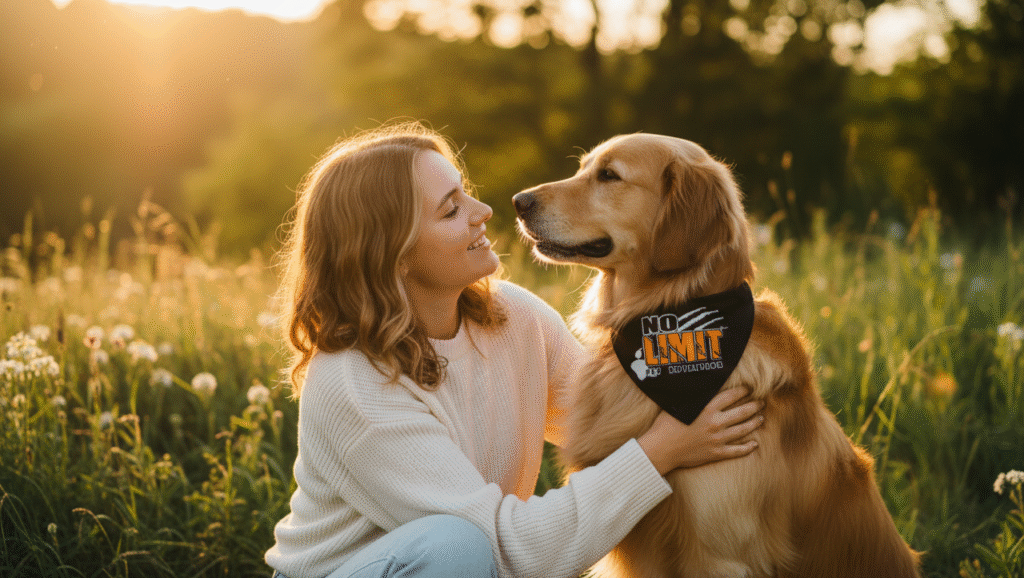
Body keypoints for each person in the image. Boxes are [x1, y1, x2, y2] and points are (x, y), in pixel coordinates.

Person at [264, 123, 763, 578]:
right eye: (450, 210)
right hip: (368, 571)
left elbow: (612, 425)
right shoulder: (354, 384)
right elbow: (504, 549)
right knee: (455, 545)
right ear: (391, 254)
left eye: (467, 195)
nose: (484, 212)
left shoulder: (514, 318)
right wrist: (662, 450)